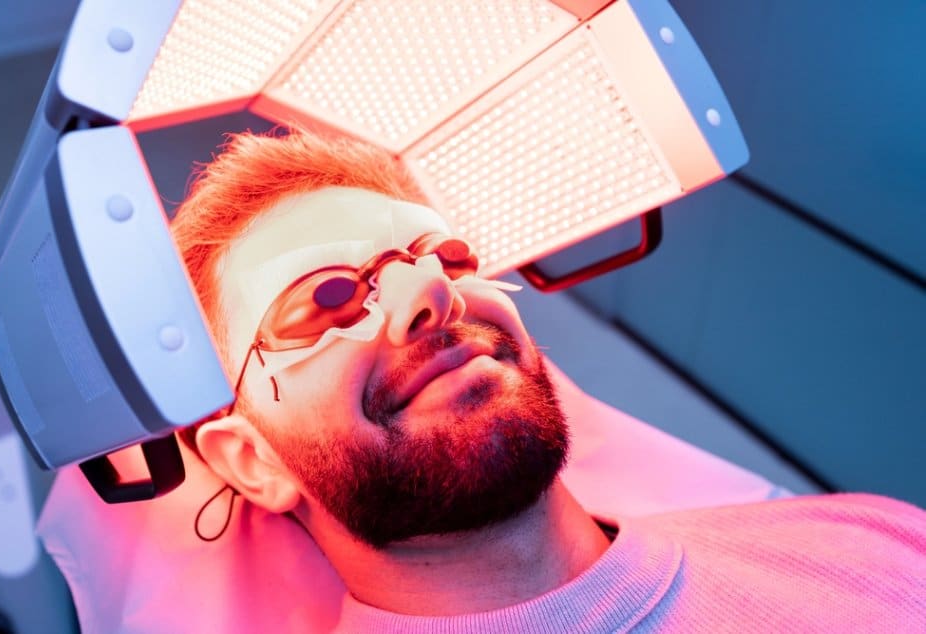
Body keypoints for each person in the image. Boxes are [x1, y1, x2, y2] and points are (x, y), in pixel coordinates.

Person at [169, 129, 926, 632]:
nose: (430, 294)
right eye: (328, 299)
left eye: (451, 258)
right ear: (253, 460)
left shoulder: (873, 539)